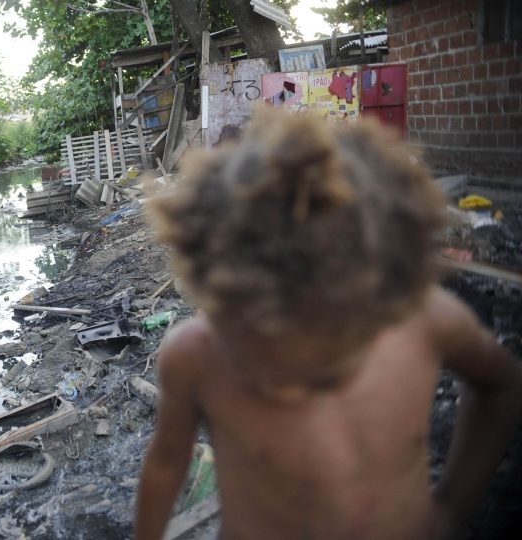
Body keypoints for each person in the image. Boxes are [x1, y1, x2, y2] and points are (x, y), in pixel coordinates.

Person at [134, 108, 522, 540]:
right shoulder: (193, 355)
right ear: (222, 302)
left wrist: (452, 508)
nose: (294, 390)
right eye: (265, 353)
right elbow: (167, 463)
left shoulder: (423, 318)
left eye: (337, 360)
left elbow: (501, 385)